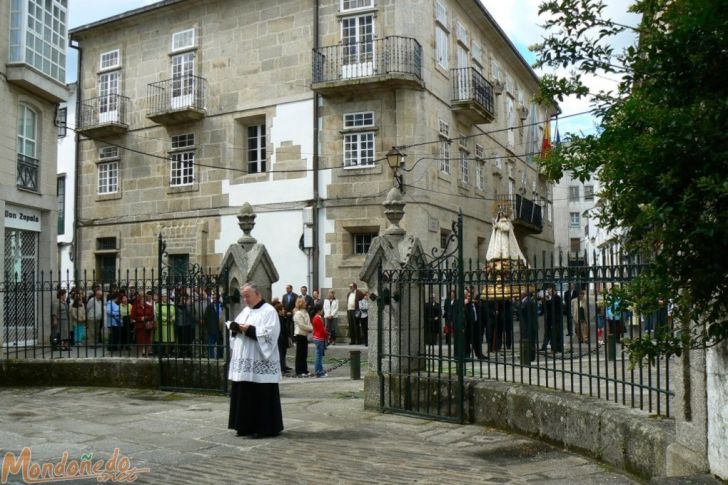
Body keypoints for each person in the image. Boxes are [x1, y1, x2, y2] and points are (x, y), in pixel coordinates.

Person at [227, 282, 283, 439]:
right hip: (244, 361)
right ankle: (244, 425)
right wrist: (235, 328)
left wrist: (249, 329)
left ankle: (265, 428)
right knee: (244, 392)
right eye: (243, 296)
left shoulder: (269, 311)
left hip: (260, 359)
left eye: (247, 296)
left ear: (258, 294)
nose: (245, 300)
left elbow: (270, 335)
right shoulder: (245, 311)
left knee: (261, 394)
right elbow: (237, 329)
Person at [292, 297, 313, 376]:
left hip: (305, 335)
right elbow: (301, 325)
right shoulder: (298, 313)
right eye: (304, 302)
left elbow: (308, 322)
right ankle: (299, 370)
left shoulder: (305, 312)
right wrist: (310, 328)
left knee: (304, 353)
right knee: (299, 353)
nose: (305, 303)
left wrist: (311, 328)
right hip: (300, 334)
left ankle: (304, 369)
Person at [541, 285, 563, 353]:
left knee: (555, 334)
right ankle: (544, 347)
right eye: (548, 291)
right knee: (548, 333)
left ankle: (555, 348)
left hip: (555, 320)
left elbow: (549, 305)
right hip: (550, 320)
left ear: (554, 291)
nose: (548, 292)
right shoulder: (552, 298)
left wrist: (545, 300)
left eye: (549, 291)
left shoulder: (557, 298)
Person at [271, 299, 292, 373]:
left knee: (284, 353)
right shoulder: (278, 319)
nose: (284, 311)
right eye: (282, 309)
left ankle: (284, 366)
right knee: (281, 353)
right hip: (281, 338)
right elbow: (280, 330)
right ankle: (281, 367)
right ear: (279, 311)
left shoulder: (282, 318)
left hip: (284, 338)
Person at [132, 291, 154, 356]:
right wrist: (140, 318)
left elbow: (152, 316)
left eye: (144, 298)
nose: (142, 299)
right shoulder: (135, 306)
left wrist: (146, 317)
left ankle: (147, 355)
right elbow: (133, 316)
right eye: (141, 298)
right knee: (140, 342)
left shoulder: (149, 306)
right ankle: (140, 355)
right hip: (140, 327)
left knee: (147, 342)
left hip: (147, 327)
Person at [311, 302, 329, 377]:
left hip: (316, 337)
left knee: (319, 355)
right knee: (319, 356)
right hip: (319, 338)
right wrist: (328, 335)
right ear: (319, 310)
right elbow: (322, 330)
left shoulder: (315, 317)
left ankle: (320, 370)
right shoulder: (318, 318)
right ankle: (318, 371)